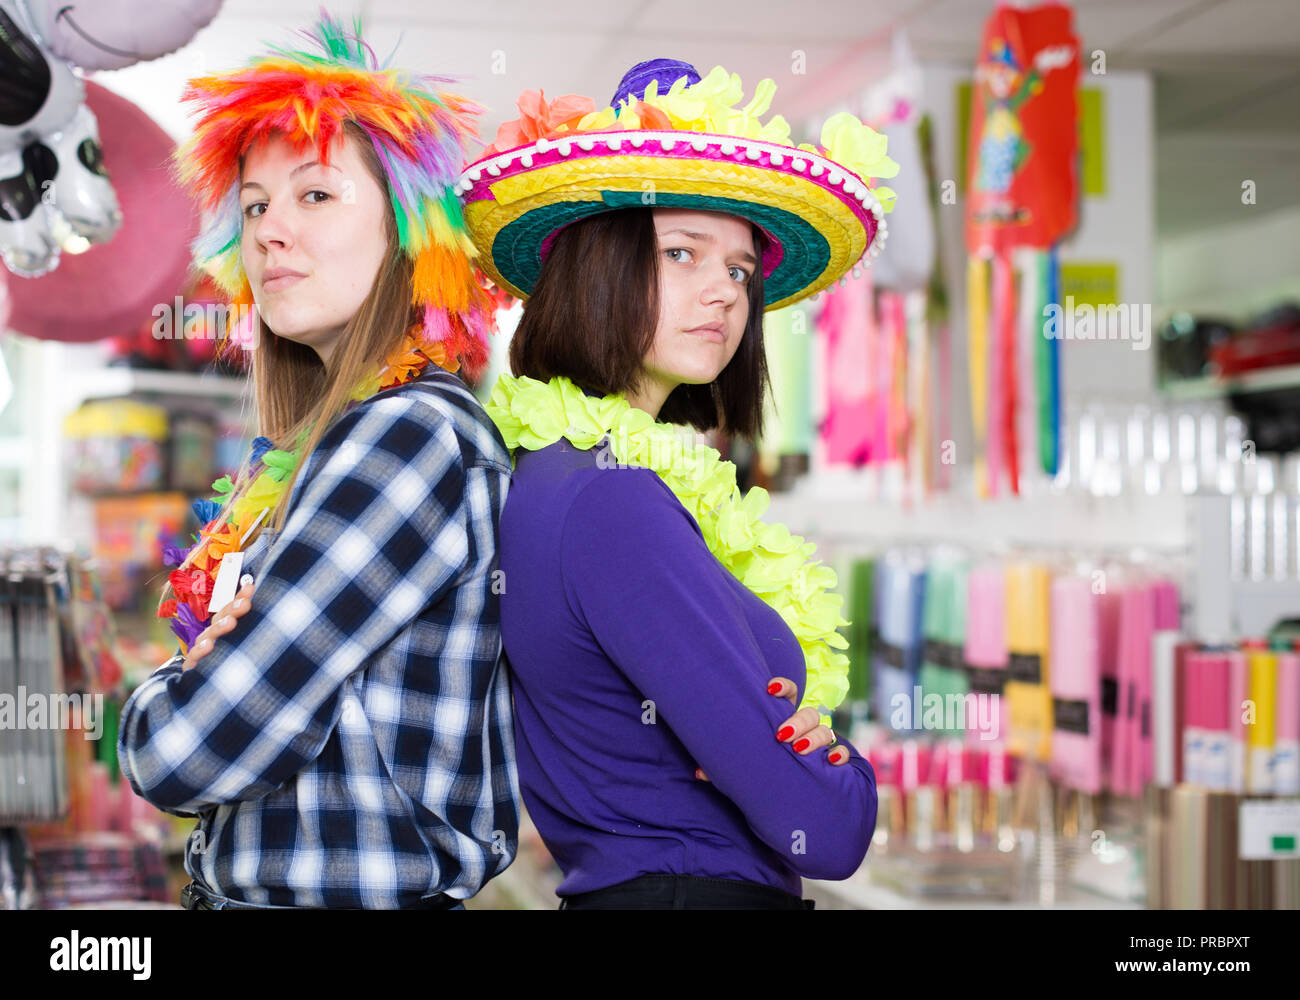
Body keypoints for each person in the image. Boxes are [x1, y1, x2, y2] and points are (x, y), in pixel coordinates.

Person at [463, 59, 898, 908]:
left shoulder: (573, 474)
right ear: (597, 263)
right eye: (681, 253)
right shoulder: (611, 498)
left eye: (739, 270)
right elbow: (829, 831)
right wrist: (848, 776)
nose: (723, 295)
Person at [116, 13, 519, 910]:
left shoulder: (405, 439)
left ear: (412, 234)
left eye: (315, 196)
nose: (269, 233)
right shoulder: (329, 447)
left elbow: (182, 754)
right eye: (254, 206)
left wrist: (162, 699)